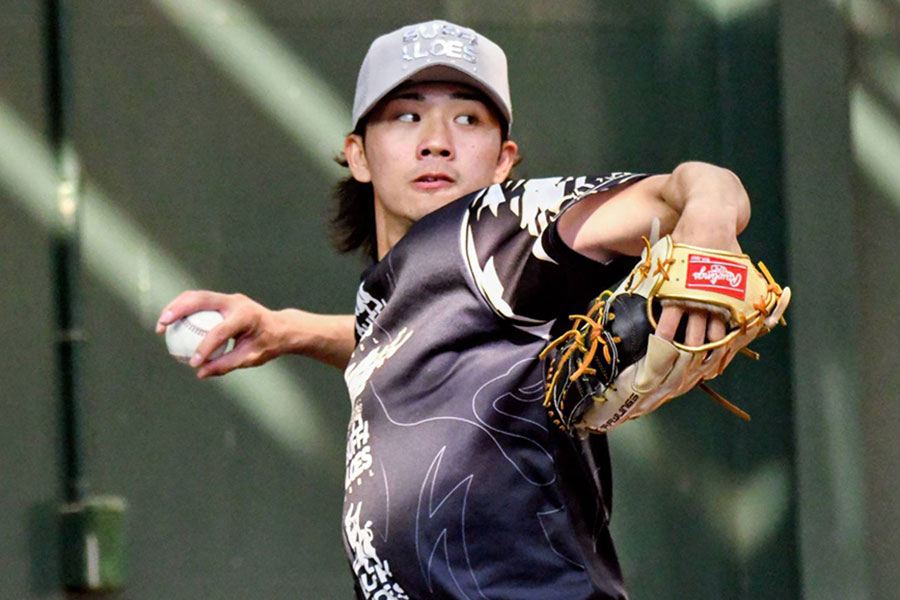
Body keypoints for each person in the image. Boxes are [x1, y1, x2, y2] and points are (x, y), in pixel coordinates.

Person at [157, 20, 749, 600]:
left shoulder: (495, 230)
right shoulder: (399, 293)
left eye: (468, 119)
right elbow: (398, 346)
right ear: (358, 155)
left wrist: (709, 231)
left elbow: (698, 187)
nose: (437, 140)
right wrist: (288, 330)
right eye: (406, 115)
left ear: (502, 162)